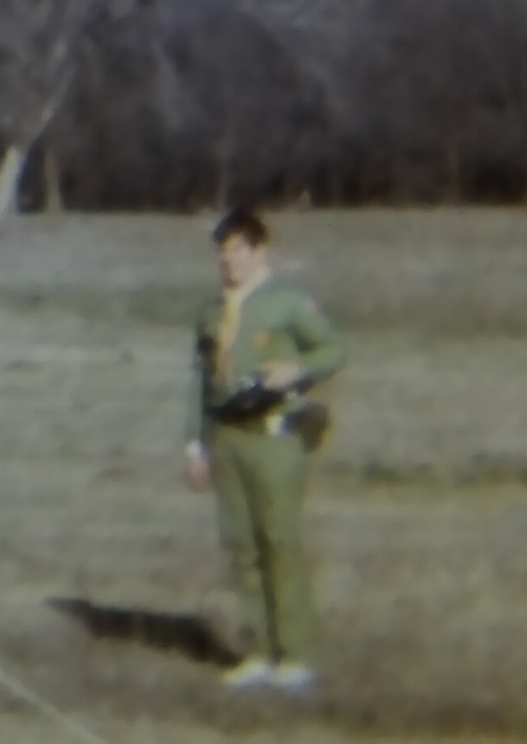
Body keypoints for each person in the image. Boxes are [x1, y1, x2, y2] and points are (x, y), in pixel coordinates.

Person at [184, 205, 348, 692]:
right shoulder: (212, 311)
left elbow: (333, 349)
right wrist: (194, 444)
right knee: (241, 547)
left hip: (273, 436)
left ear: (260, 251)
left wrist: (296, 371)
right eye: (222, 250)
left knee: (280, 543)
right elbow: (200, 380)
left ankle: (294, 655)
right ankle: (258, 650)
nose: (229, 261)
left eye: (238, 249)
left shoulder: (287, 303)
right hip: (227, 437)